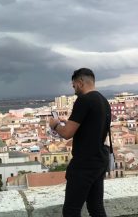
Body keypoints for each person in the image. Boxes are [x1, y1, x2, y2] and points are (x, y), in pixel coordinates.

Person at [49, 68, 111, 217]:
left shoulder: (84, 100)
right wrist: (68, 122)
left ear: (80, 82)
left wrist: (55, 125)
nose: (73, 88)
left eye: (74, 85)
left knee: (71, 210)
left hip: (85, 163)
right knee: (96, 207)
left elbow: (67, 133)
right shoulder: (103, 100)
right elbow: (92, 127)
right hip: (100, 159)